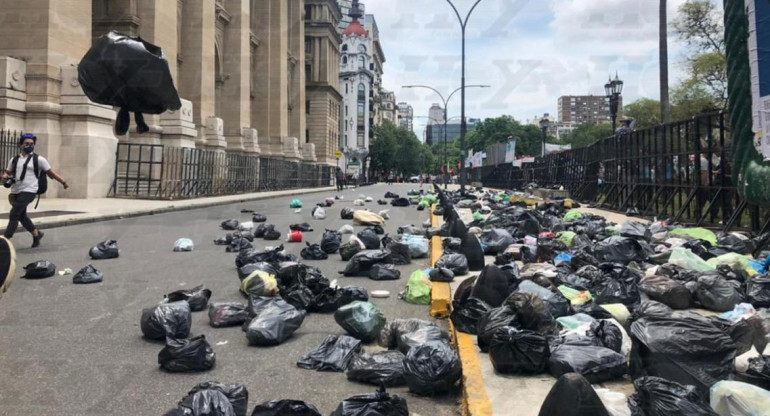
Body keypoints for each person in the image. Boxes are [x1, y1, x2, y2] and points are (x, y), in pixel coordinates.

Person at [1, 133, 69, 247]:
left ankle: (6, 239)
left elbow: (51, 173)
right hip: (15, 190)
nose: (29, 146)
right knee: (22, 216)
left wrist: (63, 182)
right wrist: (4, 176)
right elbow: (8, 172)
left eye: (32, 144)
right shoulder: (14, 159)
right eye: (27, 144)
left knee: (14, 213)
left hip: (30, 190)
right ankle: (36, 234)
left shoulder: (39, 159)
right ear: (21, 144)